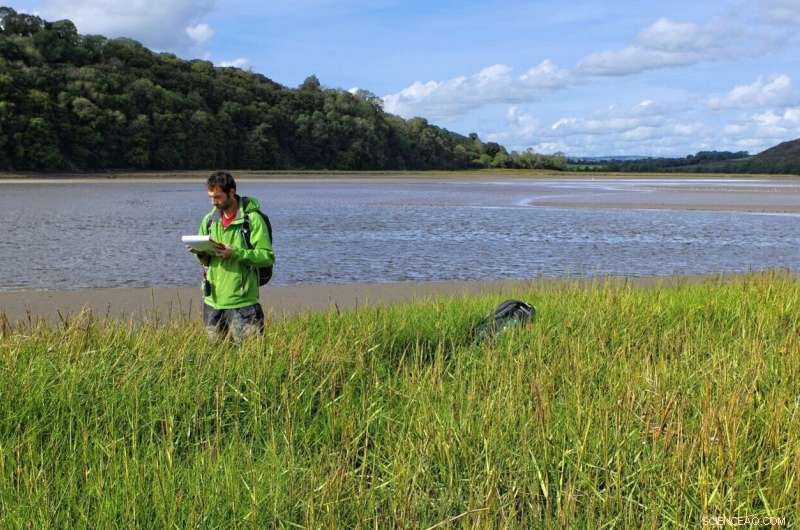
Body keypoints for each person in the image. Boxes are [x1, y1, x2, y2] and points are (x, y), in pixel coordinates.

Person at [188, 171, 274, 342]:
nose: (213, 202)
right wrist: (200, 253)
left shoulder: (253, 220)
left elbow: (266, 257)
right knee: (218, 359)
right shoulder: (209, 220)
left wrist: (235, 253)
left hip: (242, 303)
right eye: (211, 197)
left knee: (251, 358)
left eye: (218, 197)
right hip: (212, 302)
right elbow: (206, 261)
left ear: (232, 192)